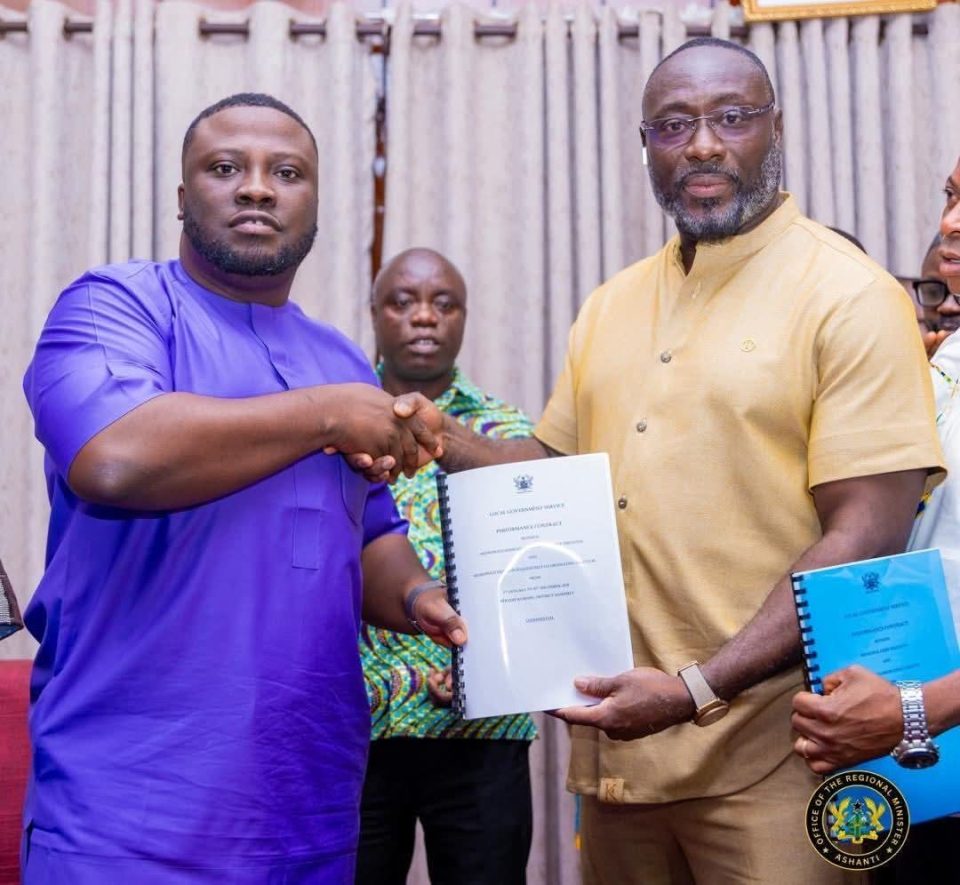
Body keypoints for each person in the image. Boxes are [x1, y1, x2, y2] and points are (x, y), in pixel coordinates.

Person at [355, 37, 945, 884]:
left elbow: (864, 532)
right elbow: (545, 467)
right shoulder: (612, 303)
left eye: (731, 117)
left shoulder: (851, 296)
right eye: (673, 125)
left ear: (775, 129)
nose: (702, 143)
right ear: (645, 146)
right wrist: (438, 436)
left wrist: (696, 686)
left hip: (778, 757)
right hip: (621, 757)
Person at [19, 93, 466, 884]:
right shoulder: (114, 307)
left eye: (286, 173)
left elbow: (367, 534)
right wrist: (328, 414)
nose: (257, 187)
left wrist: (418, 596)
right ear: (182, 196)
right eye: (226, 168)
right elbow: (112, 455)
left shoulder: (339, 360)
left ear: (315, 204)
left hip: (308, 807)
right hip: (127, 810)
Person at [792, 157, 960, 884]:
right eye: (950, 195)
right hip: (917, 763)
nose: (950, 222)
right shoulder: (937, 365)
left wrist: (915, 709)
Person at [357, 248, 536, 885]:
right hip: (356, 729)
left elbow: (535, 575)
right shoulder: (336, 427)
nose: (424, 317)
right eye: (403, 301)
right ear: (373, 313)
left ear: (464, 317)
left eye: (444, 303)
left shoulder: (508, 434)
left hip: (482, 730)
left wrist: (484, 670)